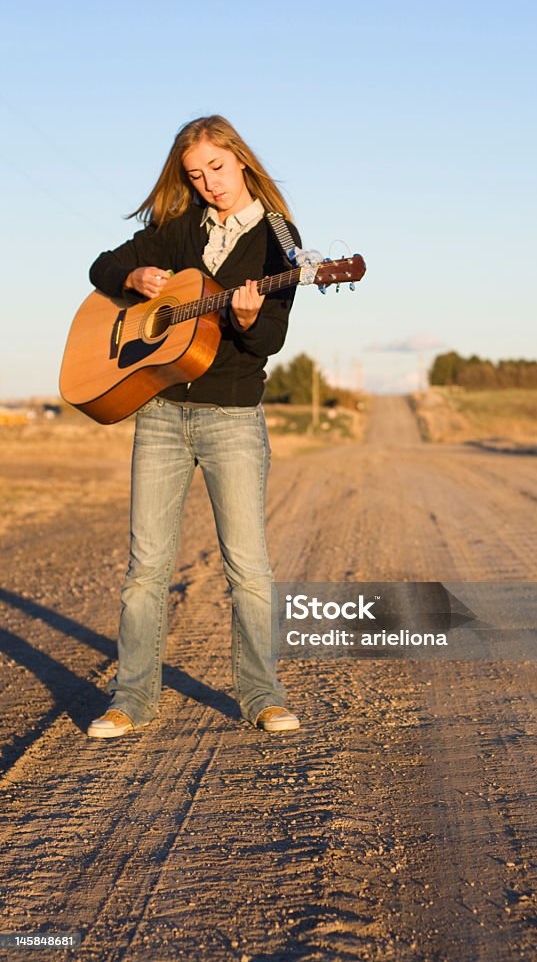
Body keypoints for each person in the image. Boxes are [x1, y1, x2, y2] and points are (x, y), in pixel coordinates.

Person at [87, 115, 302, 738]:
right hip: (157, 414)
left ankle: (263, 695)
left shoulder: (278, 240)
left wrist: (246, 317)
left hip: (232, 416)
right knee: (146, 569)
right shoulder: (174, 229)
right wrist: (133, 277)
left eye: (217, 167)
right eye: (195, 174)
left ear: (241, 159)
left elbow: (270, 340)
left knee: (248, 567)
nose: (209, 183)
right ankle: (132, 700)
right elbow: (100, 268)